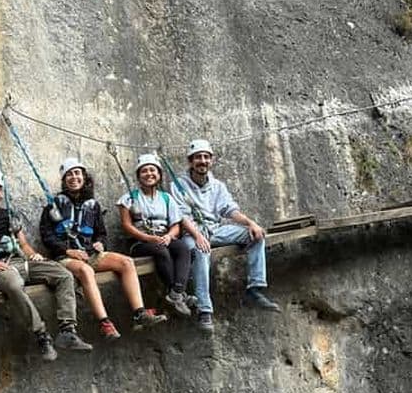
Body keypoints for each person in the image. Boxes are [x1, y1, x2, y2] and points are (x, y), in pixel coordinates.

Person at [0, 166, 93, 361]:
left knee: (63, 274)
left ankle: (67, 331)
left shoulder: (8, 215)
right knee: (13, 283)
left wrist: (34, 255)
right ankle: (41, 335)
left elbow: (24, 245)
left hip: (19, 262)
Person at [39, 157, 167, 338]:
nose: (74, 177)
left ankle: (139, 314)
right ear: (64, 180)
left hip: (89, 254)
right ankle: (104, 323)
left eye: (77, 173)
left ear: (84, 177)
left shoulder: (93, 205)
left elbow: (101, 233)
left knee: (126, 262)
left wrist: (100, 243)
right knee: (86, 271)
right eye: (69, 175)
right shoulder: (54, 206)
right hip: (65, 257)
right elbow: (47, 236)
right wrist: (68, 251)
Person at [171, 139, 280, 333]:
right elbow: (180, 216)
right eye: (198, 157)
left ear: (211, 160)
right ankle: (204, 310)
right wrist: (198, 236)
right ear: (190, 161)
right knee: (201, 251)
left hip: (215, 229)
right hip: (191, 233)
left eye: (206, 157)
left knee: (255, 235)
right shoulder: (178, 185)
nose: (202, 161)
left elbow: (229, 209)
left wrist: (251, 223)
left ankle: (254, 289)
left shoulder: (217, 186)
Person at [117, 152, 194, 317]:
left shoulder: (166, 198)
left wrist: (169, 236)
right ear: (139, 176)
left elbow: (176, 225)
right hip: (139, 242)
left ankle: (176, 293)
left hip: (162, 237)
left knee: (183, 248)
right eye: (144, 171)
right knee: (161, 250)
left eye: (153, 170)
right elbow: (126, 225)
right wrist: (147, 238)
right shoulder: (129, 198)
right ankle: (181, 296)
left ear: (159, 174)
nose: (149, 174)